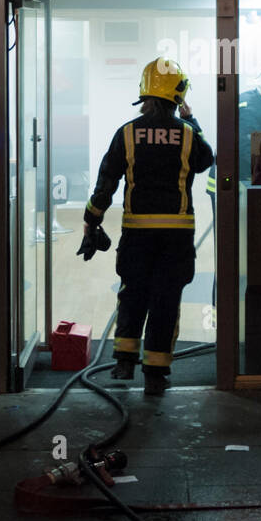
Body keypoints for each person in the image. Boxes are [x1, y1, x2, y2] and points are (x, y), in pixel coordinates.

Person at [76, 57, 214, 396]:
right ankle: (156, 372)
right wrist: (191, 119)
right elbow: (206, 160)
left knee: (133, 292)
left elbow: (106, 183)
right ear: (178, 95)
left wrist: (91, 221)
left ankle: (124, 361)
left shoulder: (126, 133)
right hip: (176, 235)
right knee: (166, 300)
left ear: (145, 91)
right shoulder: (186, 135)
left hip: (137, 233)